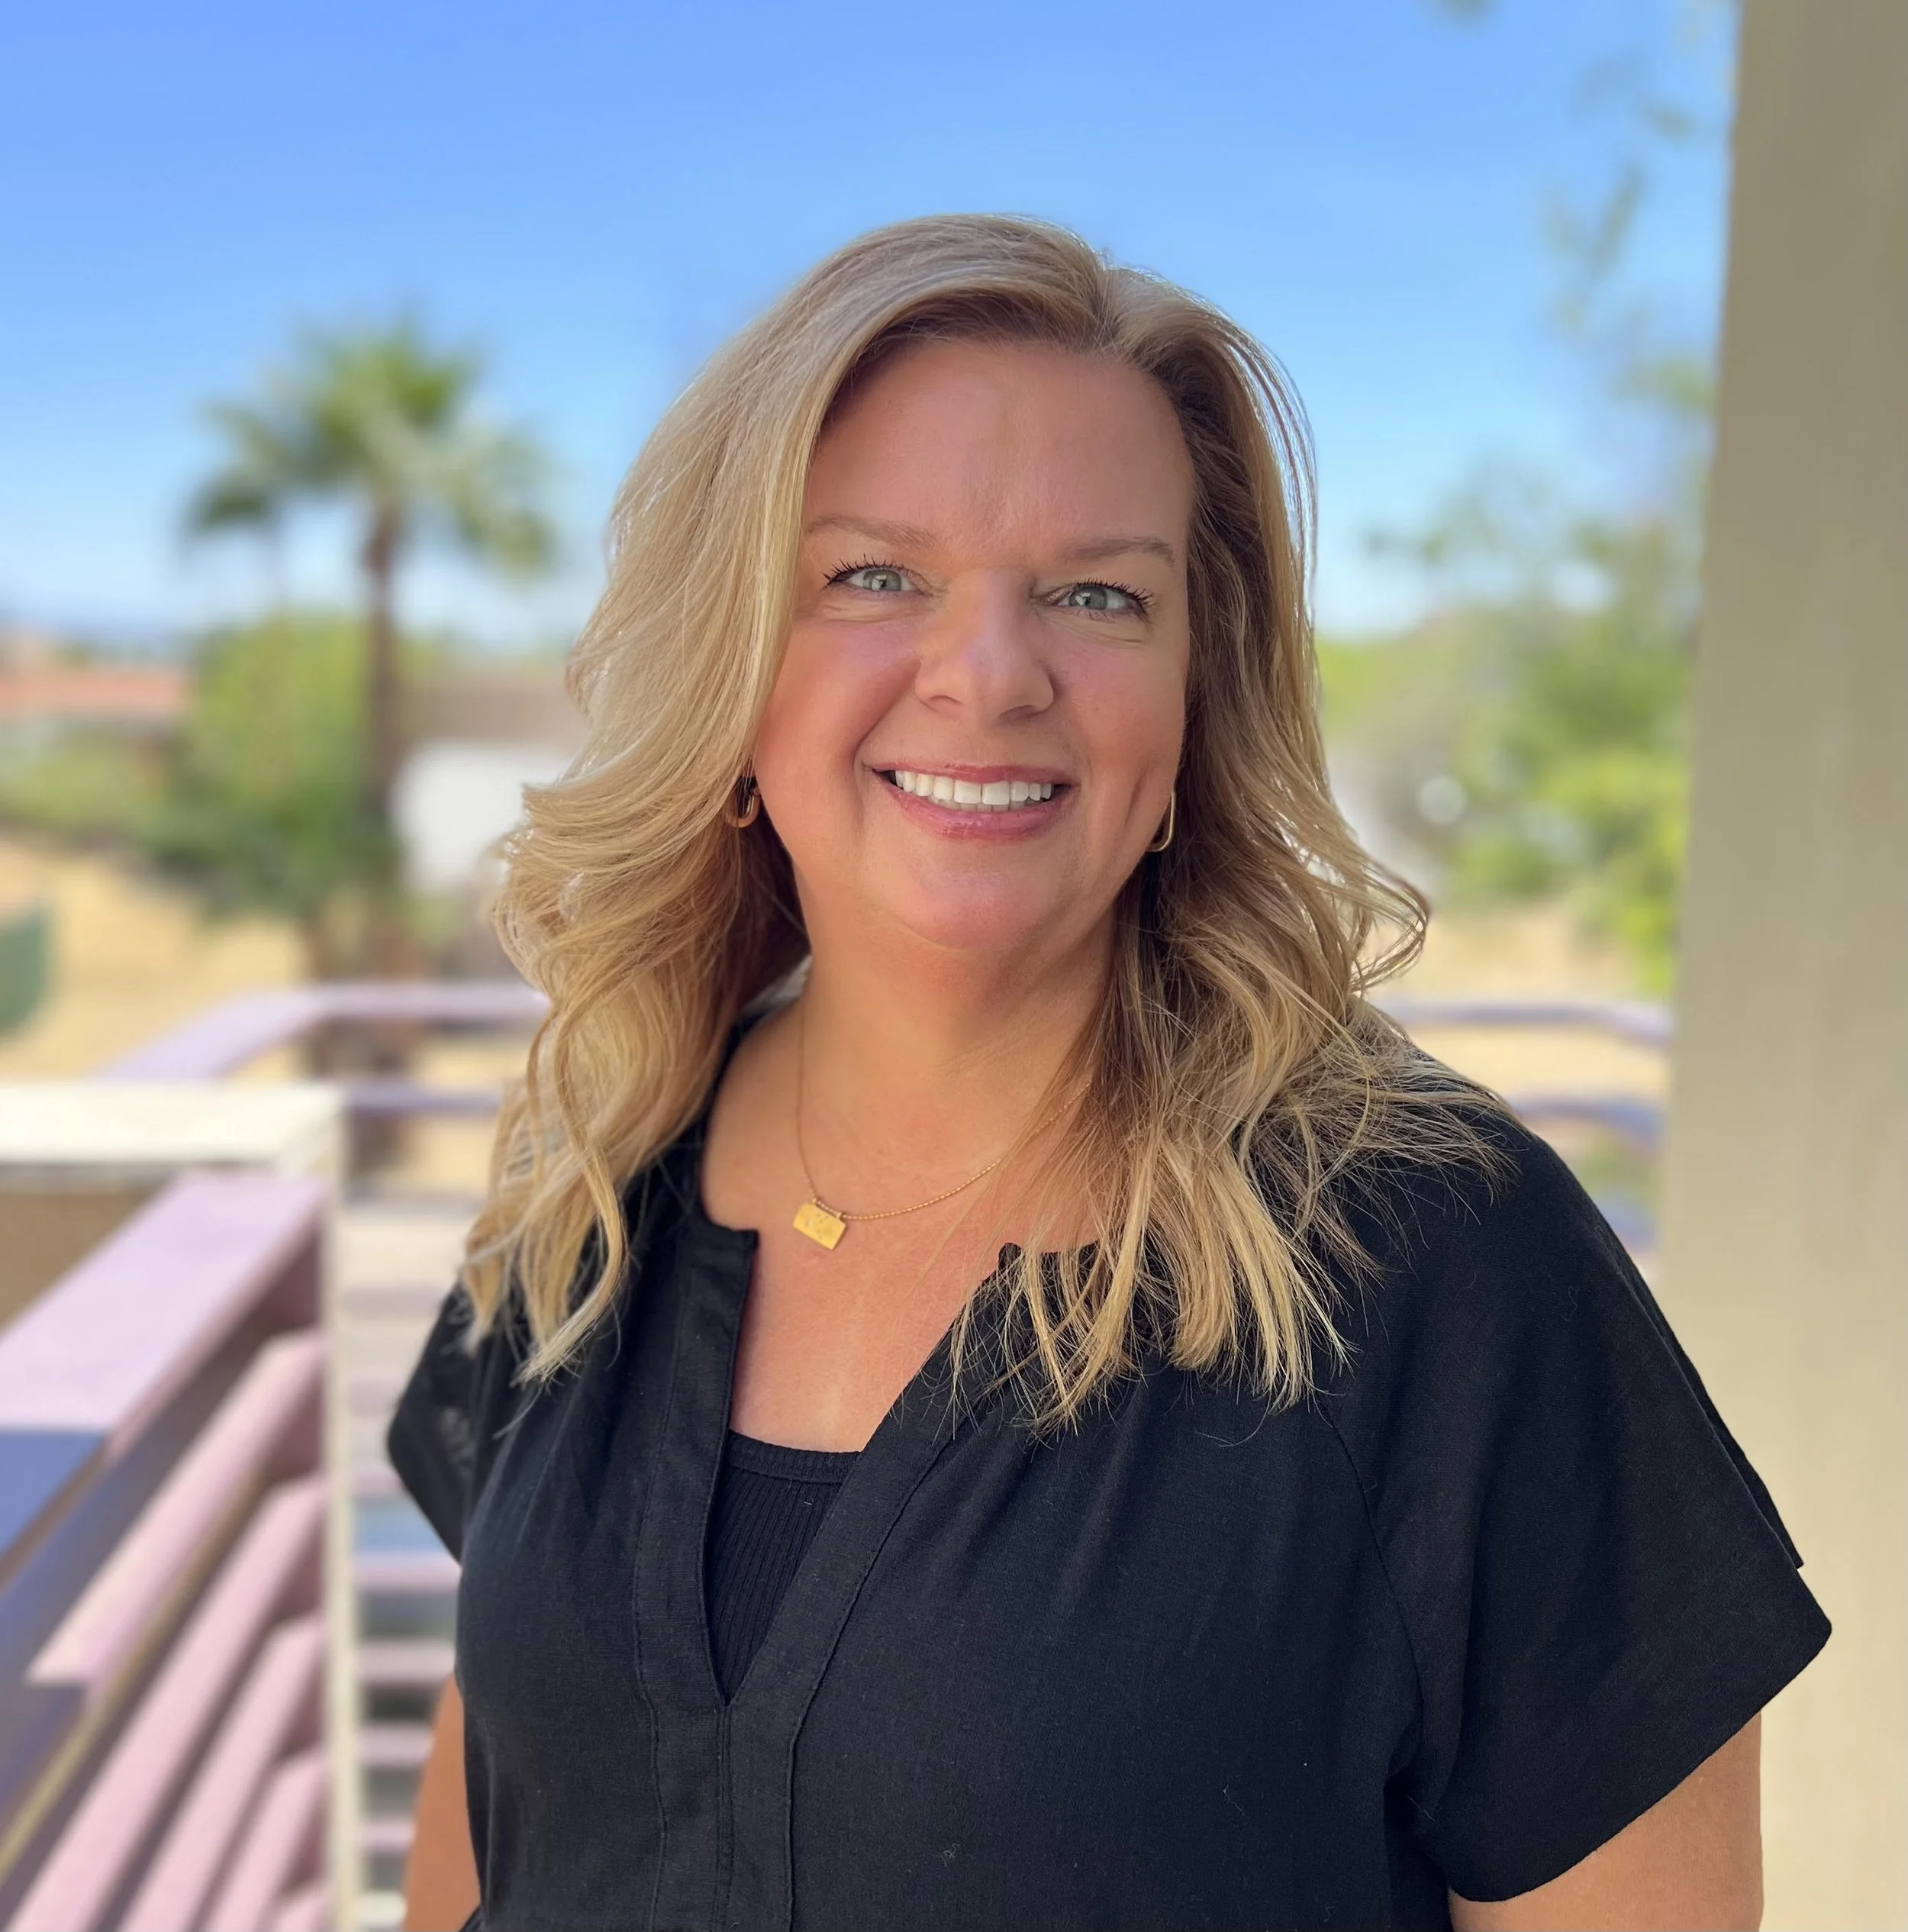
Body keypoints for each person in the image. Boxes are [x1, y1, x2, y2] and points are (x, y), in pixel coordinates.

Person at [388, 214, 1827, 1932]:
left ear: (1191, 702)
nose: (989, 673)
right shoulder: (595, 1174)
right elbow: (482, 1854)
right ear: (732, 675)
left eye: (1096, 593)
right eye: (871, 576)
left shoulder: (1433, 1256)